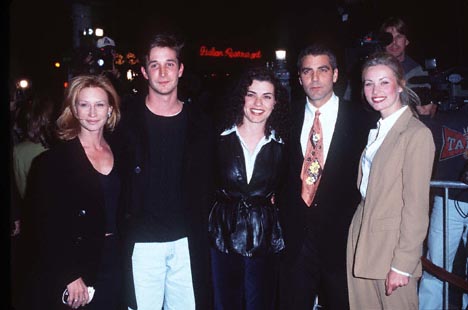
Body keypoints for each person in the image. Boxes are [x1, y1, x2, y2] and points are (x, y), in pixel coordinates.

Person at [113, 32, 216, 310]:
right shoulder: (123, 122)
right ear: (144, 71)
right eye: (155, 65)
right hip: (142, 244)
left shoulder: (202, 123)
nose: (162, 72)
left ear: (180, 69)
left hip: (186, 243)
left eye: (169, 64)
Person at [277, 43, 373, 310]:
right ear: (299, 78)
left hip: (341, 242)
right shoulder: (284, 117)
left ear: (335, 74)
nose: (315, 78)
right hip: (295, 241)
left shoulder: (362, 120)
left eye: (322, 70)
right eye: (307, 71)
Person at [19, 74, 123, 310]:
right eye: (84, 104)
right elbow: (45, 224)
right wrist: (69, 273)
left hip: (118, 257)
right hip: (79, 261)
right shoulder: (53, 161)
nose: (92, 112)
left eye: (99, 104)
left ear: (110, 109)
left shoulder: (122, 150)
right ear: (74, 110)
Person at [346, 52, 435, 309]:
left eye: (384, 82)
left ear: (400, 84)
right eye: (368, 83)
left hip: (392, 253)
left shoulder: (416, 134)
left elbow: (416, 208)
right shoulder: (376, 132)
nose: (376, 90)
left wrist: (403, 264)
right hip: (362, 244)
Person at [208, 66, 289, 310]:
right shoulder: (217, 139)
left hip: (265, 235)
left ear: (275, 102)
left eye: (266, 96)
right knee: (224, 303)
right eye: (251, 94)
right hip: (222, 233)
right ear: (241, 97)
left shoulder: (285, 146)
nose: (258, 103)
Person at [417, 101, 468, 309]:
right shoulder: (449, 116)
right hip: (448, 198)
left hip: (448, 195)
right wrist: (424, 115)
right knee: (436, 266)